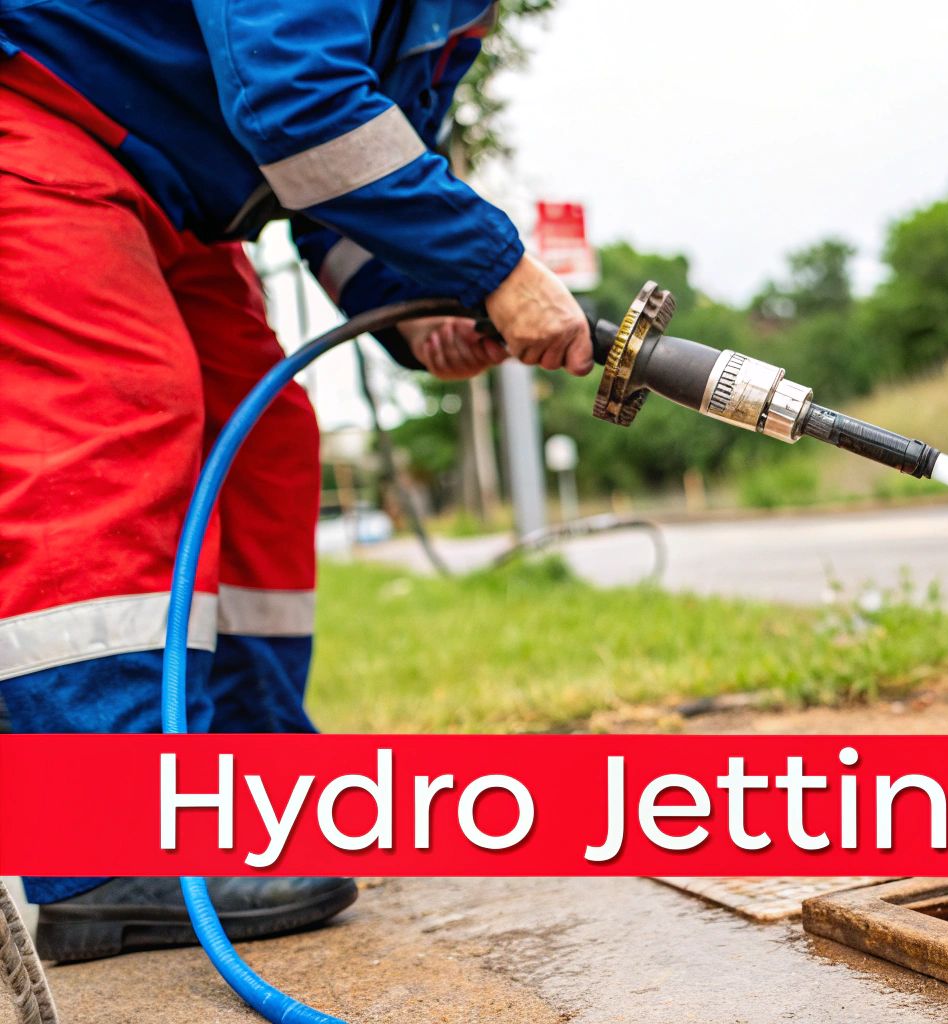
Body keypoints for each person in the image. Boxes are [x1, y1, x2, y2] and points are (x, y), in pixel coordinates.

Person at [0, 1, 591, 961]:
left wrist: (415, 314)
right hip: (35, 109)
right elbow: (297, 103)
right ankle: (101, 844)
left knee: (262, 435)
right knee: (119, 410)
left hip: (164, 181)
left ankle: (245, 780)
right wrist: (498, 266)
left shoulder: (456, 17)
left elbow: (336, 183)